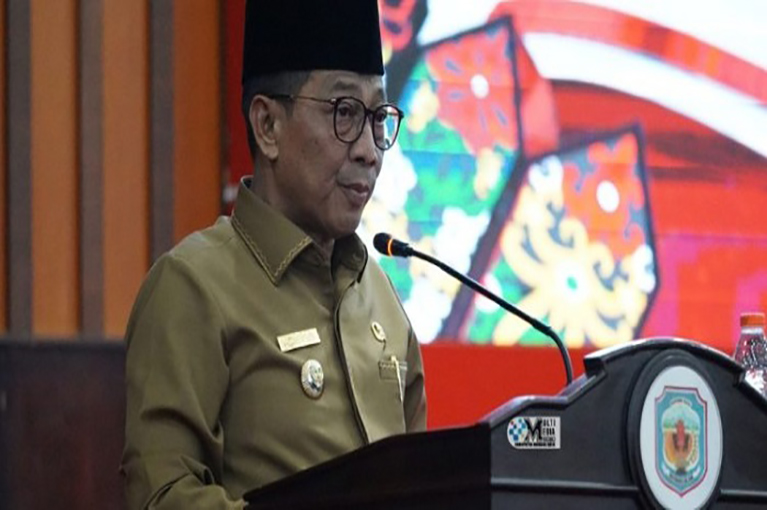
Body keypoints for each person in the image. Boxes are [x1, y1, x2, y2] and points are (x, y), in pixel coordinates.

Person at [120, 0, 427, 508]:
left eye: (378, 118)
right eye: (345, 113)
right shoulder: (192, 287)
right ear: (267, 126)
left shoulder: (380, 297)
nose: (369, 150)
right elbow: (161, 496)